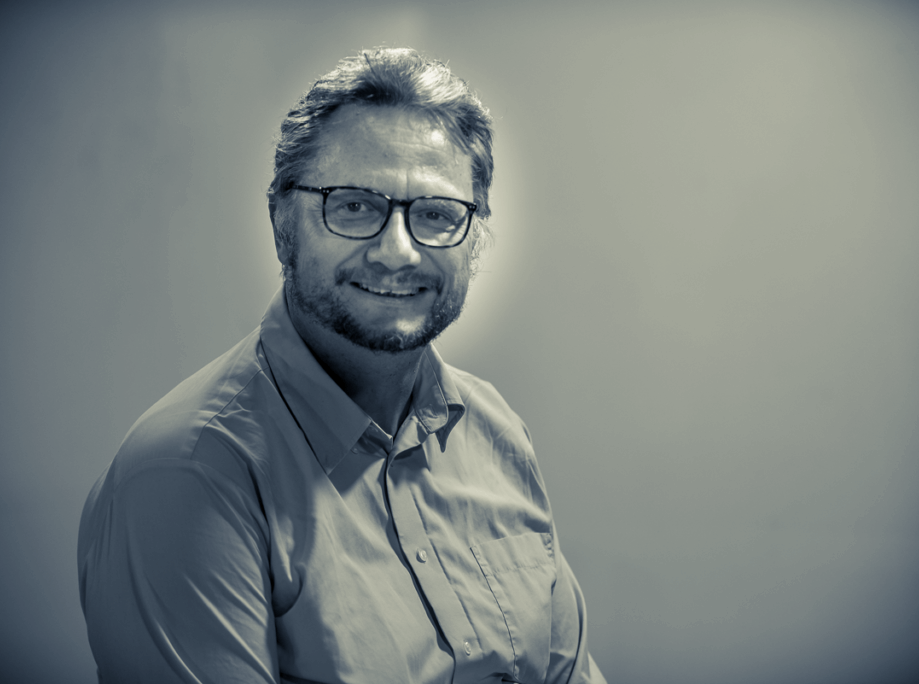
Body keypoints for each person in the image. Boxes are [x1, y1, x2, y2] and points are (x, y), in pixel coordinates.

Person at [78, 47, 606, 684]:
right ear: (283, 222)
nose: (397, 252)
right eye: (354, 205)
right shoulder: (187, 476)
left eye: (437, 214)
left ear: (474, 238)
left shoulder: (495, 430)